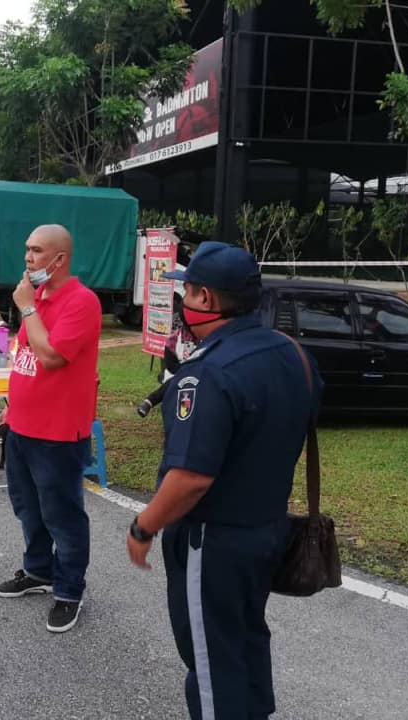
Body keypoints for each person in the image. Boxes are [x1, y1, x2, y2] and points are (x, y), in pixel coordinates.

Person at [125, 241, 323, 719]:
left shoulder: (207, 374)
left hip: (212, 542)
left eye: (187, 293)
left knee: (212, 663)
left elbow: (191, 477)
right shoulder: (294, 354)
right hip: (268, 529)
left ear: (207, 301)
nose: (182, 304)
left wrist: (143, 527)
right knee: (245, 639)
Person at [0, 224, 102, 633]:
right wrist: (12, 406)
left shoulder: (81, 302)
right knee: (29, 509)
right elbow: (26, 354)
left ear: (60, 259)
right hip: (22, 426)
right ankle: (38, 570)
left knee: (63, 514)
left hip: (58, 434)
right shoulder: (37, 297)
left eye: (36, 251)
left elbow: (53, 356)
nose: (27, 258)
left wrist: (26, 308)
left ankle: (69, 589)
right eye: (26, 249)